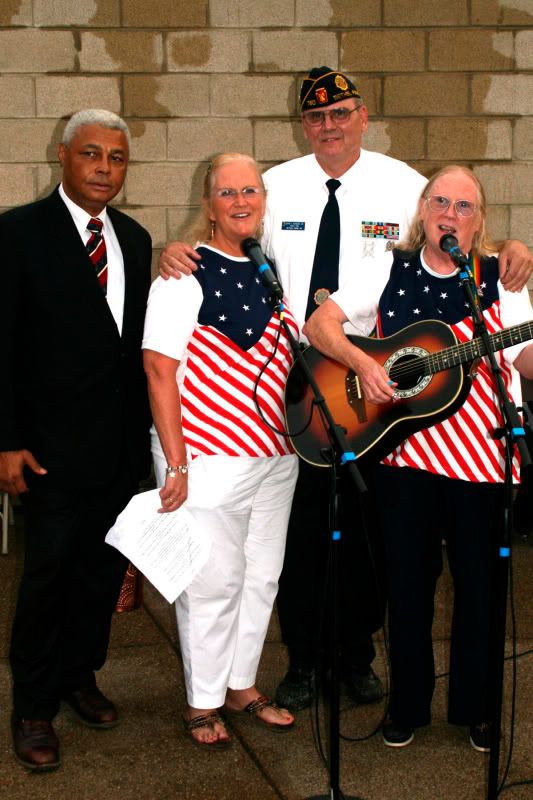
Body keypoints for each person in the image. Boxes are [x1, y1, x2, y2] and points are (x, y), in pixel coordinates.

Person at [157, 67, 533, 712]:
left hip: (388, 396)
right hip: (295, 382)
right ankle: (303, 659)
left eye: (341, 114)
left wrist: (515, 248)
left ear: (363, 116)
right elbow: (230, 233)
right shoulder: (278, 185)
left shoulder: (403, 185)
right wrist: (177, 248)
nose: (328, 127)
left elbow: (459, 233)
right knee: (302, 535)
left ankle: (357, 655)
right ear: (303, 124)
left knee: (368, 536)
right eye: (315, 118)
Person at [304, 165, 533, 752]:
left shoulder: (499, 281)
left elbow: (527, 361)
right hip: (401, 457)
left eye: (464, 207)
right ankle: (407, 707)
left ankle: (476, 709)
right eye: (441, 202)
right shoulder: (388, 266)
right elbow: (320, 324)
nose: (450, 215)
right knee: (406, 588)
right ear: (422, 208)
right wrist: (363, 364)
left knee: (481, 589)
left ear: (478, 220)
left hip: (481, 460)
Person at [0, 109, 153, 771]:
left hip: (117, 449)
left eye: (115, 158)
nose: (103, 169)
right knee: (47, 577)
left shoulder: (136, 238)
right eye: (90, 154)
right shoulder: (17, 234)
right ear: (63, 157)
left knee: (99, 575)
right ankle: (33, 705)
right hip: (46, 449)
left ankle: (77, 677)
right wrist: (6, 440)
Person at [142, 153, 299, 749]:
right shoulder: (183, 273)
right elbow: (159, 369)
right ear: (207, 206)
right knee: (212, 581)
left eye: (251, 191)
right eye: (227, 192)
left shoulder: (270, 268)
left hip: (275, 455)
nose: (241, 201)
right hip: (207, 454)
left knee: (261, 577)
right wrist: (175, 462)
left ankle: (240, 684)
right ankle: (202, 700)